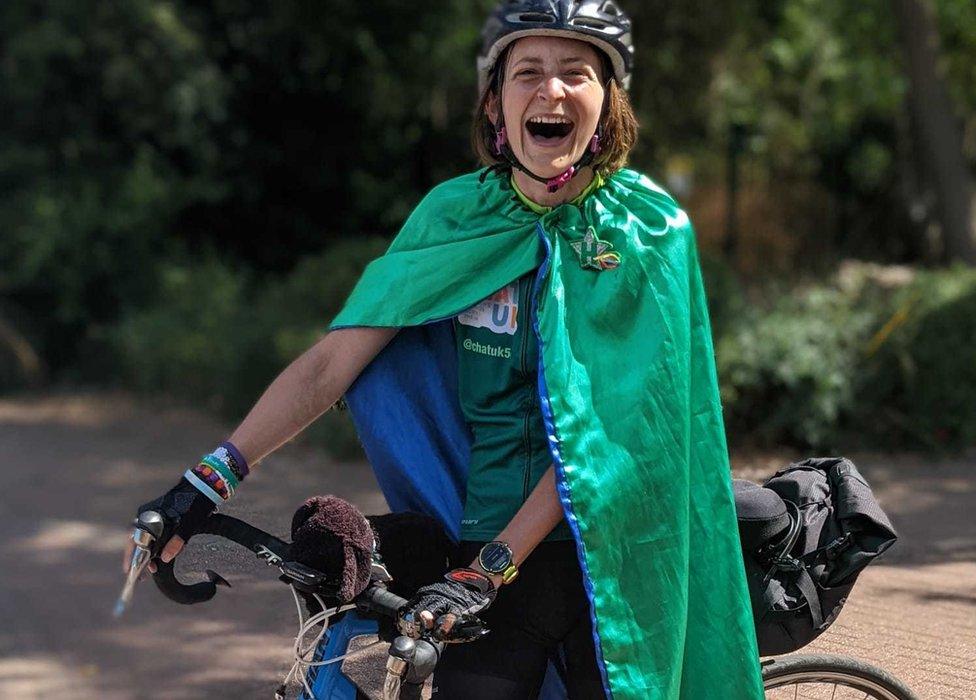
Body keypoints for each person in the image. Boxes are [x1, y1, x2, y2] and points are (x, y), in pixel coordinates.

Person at [124, 2, 766, 698]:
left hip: (617, 559)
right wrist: (208, 480)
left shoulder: (647, 232)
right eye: (528, 72)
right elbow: (329, 366)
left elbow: (608, 441)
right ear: (495, 101)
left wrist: (489, 569)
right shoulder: (455, 218)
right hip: (484, 547)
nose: (551, 90)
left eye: (576, 72)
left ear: (609, 104)